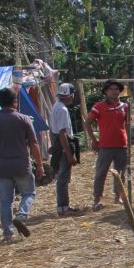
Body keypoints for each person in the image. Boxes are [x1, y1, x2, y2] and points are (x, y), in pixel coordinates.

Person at [0, 87, 44, 242]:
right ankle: (21, 216)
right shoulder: (24, 119)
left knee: (6, 200)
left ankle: (8, 234)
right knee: (29, 193)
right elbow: (34, 143)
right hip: (22, 164)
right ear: (15, 102)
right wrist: (40, 164)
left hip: (3, 167)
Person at [85, 78, 131, 210]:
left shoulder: (125, 106)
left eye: (116, 89)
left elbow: (127, 123)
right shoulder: (99, 106)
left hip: (122, 144)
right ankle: (97, 199)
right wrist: (94, 140)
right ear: (106, 91)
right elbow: (88, 122)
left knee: (121, 173)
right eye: (111, 89)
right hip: (105, 145)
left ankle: (118, 197)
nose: (114, 91)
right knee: (101, 172)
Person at [48, 82, 80, 216]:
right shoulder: (62, 109)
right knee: (63, 177)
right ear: (70, 95)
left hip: (59, 144)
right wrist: (69, 154)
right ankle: (63, 208)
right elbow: (62, 134)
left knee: (63, 177)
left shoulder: (57, 106)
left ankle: (64, 205)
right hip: (62, 145)